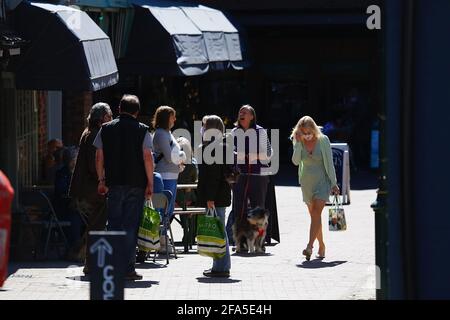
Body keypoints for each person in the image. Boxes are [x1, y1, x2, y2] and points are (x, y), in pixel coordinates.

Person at [93, 94, 154, 281]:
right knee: (130, 226)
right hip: (136, 184)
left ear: (119, 109)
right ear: (137, 112)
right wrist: (150, 183)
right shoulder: (142, 130)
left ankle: (112, 267)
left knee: (114, 224)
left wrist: (101, 180)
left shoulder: (105, 129)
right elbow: (147, 157)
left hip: (114, 183)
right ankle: (128, 268)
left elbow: (99, 156)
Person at [69, 102, 112, 274]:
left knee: (94, 227)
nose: (111, 119)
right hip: (93, 190)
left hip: (87, 189)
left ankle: (91, 263)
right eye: (109, 116)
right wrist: (104, 180)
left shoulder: (89, 132)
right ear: (101, 119)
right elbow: (94, 166)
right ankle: (91, 264)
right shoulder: (96, 134)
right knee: (96, 227)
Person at [291, 115, 340, 260]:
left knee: (317, 212)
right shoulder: (298, 139)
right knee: (314, 216)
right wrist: (299, 143)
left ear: (314, 129)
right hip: (307, 183)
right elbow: (295, 161)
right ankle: (322, 245)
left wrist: (334, 183)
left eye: (309, 132)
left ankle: (309, 247)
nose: (307, 135)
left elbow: (330, 163)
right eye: (304, 132)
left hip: (322, 181)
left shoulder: (323, 140)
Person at [226, 105, 273, 250]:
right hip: (240, 176)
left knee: (258, 208)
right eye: (240, 112)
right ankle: (240, 242)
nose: (241, 114)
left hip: (258, 176)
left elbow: (269, 153)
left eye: (244, 112)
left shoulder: (261, 131)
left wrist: (253, 156)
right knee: (239, 208)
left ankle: (259, 243)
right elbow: (228, 152)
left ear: (252, 116)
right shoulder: (233, 132)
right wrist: (234, 155)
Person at [197, 115, 231, 277]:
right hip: (222, 194)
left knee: (219, 231)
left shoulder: (211, 148)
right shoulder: (222, 146)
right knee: (219, 230)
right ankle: (219, 266)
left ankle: (222, 267)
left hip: (215, 196)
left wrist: (209, 198)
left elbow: (213, 176)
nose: (201, 129)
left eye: (204, 126)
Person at [151, 106, 186, 253]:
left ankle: (163, 239)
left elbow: (174, 156)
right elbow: (170, 156)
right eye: (173, 116)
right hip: (164, 176)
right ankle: (161, 240)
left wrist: (179, 158)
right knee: (164, 209)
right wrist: (182, 156)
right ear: (167, 118)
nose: (175, 119)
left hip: (171, 175)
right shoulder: (160, 134)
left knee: (169, 210)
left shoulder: (167, 133)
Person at [175, 137, 198, 208]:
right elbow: (195, 179)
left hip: (174, 198)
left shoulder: (172, 163)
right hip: (188, 198)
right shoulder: (192, 165)